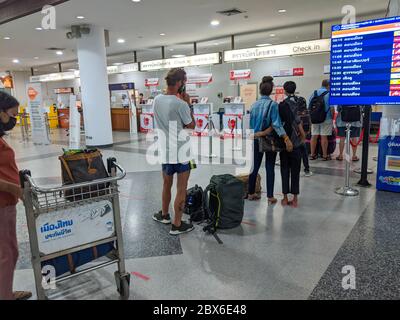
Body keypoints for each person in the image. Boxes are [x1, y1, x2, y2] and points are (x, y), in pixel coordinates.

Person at [152, 68, 196, 235]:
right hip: (182, 152)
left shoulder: (157, 99)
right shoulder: (181, 104)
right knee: (182, 188)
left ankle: (164, 215)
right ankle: (177, 224)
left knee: (166, 184)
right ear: (179, 83)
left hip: (165, 150)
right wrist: (188, 103)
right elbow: (191, 125)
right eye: (183, 82)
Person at [0, 92, 32, 300]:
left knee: (8, 252)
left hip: (6, 203)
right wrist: (14, 189)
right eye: (12, 114)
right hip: (2, 204)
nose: (14, 119)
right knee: (7, 254)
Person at [248, 76, 293, 205]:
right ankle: (270, 196)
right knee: (269, 166)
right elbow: (277, 124)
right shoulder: (273, 105)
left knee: (254, 166)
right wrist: (286, 138)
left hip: (256, 138)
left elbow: (250, 124)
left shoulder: (254, 105)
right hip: (269, 140)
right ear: (271, 90)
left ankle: (251, 193)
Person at [278, 81, 306, 207]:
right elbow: (300, 123)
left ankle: (284, 198)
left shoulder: (282, 105)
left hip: (285, 142)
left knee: (284, 170)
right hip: (296, 143)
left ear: (284, 90)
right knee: (295, 171)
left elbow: (279, 124)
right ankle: (295, 199)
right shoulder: (300, 103)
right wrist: (302, 137)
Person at [309, 79, 334, 161]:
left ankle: (312, 154)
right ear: (328, 85)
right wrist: (332, 117)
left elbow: (309, 106)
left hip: (314, 118)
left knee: (314, 136)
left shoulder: (314, 93)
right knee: (324, 137)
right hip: (326, 118)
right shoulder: (329, 94)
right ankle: (324, 155)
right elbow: (332, 108)